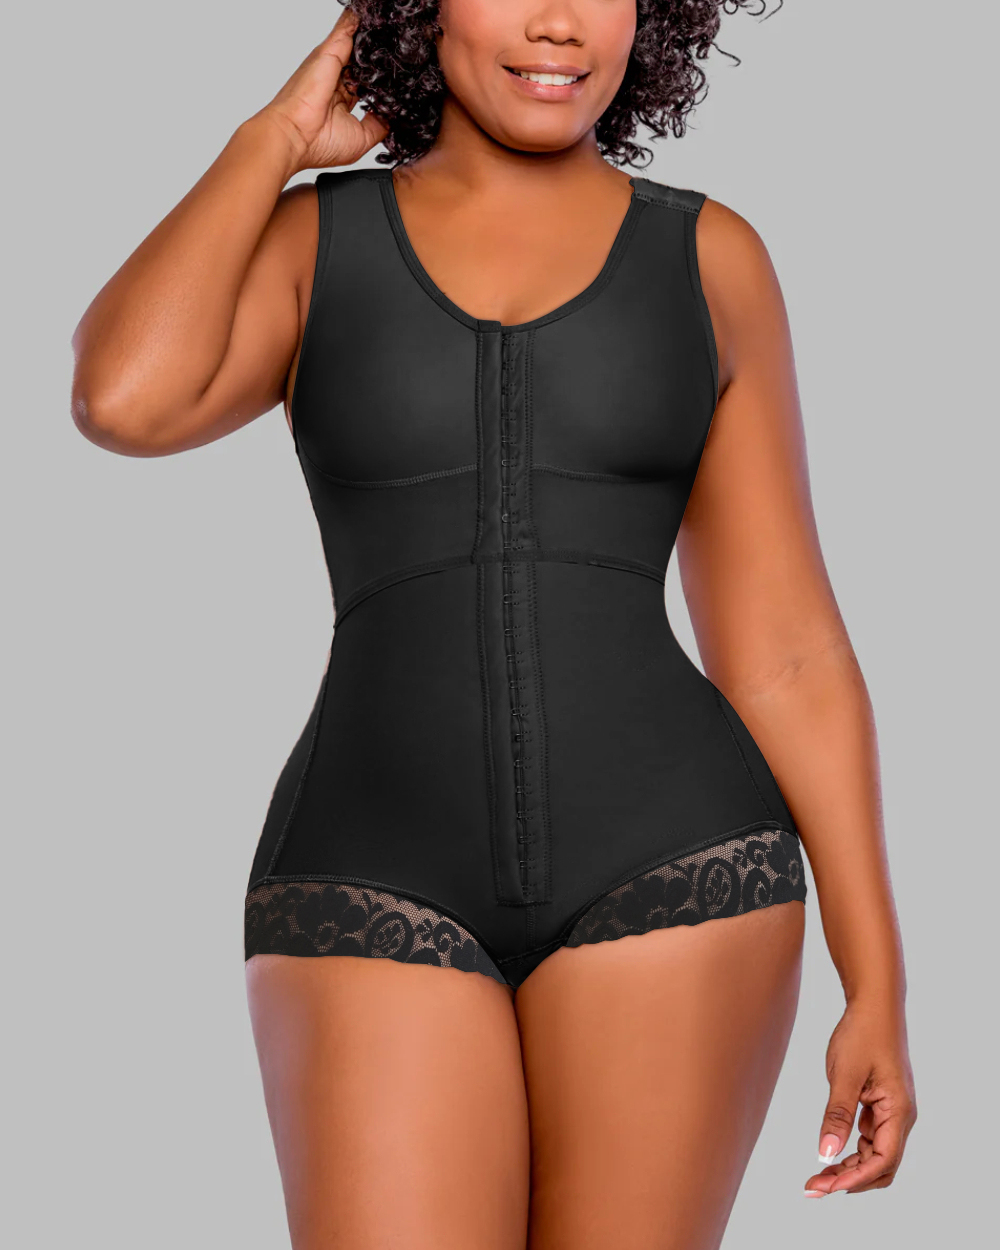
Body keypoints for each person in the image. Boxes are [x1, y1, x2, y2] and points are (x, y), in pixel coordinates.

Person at [70, 2, 916, 1246]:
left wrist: (875, 974)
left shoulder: (708, 256)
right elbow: (123, 397)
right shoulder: (311, 241)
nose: (559, 23)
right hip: (366, 871)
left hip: (678, 871)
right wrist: (271, 141)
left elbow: (785, 649)